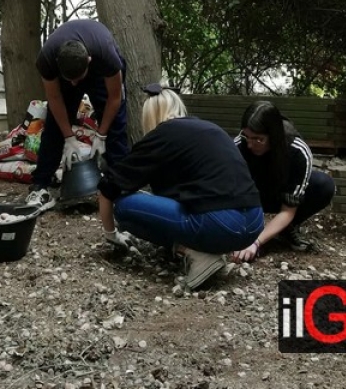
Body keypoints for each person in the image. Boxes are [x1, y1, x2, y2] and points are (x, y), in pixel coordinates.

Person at [97, 85, 264, 290]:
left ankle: (196, 254)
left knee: (125, 207)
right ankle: (205, 250)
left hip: (223, 224)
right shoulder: (207, 128)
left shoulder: (162, 135)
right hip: (255, 222)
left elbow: (108, 187)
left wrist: (110, 234)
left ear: (150, 116)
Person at [26, 19, 129, 212]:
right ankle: (40, 186)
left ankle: (121, 186)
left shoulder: (106, 56)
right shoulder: (47, 59)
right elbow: (55, 98)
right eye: (70, 80)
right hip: (69, 67)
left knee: (116, 123)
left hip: (100, 72)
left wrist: (101, 135)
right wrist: (68, 137)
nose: (75, 84)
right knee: (55, 125)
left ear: (89, 61)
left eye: (78, 79)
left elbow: (115, 99)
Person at [231, 100, 336, 263]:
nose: (251, 144)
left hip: (281, 194)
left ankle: (287, 229)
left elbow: (288, 210)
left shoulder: (297, 151)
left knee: (323, 184)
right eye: (247, 137)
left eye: (258, 139)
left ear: (273, 136)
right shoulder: (239, 146)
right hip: (250, 197)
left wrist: (255, 243)